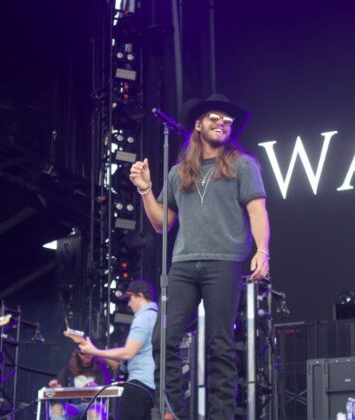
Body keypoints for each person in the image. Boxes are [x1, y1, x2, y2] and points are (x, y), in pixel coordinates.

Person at [129, 93, 270, 419]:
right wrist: (145, 190)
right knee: (163, 339)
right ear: (198, 124)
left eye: (228, 121)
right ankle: (171, 412)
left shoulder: (243, 165)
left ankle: (221, 416)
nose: (223, 123)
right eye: (215, 118)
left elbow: (258, 211)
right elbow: (162, 224)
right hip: (183, 264)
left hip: (224, 261)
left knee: (220, 345)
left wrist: (262, 251)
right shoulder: (179, 173)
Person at [80, 279, 158, 420]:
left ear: (139, 296)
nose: (128, 304)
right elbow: (124, 364)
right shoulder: (158, 317)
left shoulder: (143, 318)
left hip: (139, 385)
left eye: (130, 299)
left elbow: (128, 352)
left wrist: (94, 351)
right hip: (153, 386)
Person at [47, 348, 113, 420]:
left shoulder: (102, 368)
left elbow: (108, 391)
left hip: (93, 405)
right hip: (73, 407)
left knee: (95, 411)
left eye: (89, 352)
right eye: (83, 353)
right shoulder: (68, 369)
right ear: (77, 354)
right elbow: (60, 388)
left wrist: (97, 388)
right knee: (56, 408)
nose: (87, 356)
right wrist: (56, 388)